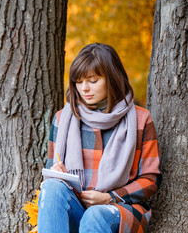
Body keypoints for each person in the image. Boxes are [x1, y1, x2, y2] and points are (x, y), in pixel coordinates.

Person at [37, 43, 162, 233]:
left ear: (111, 78)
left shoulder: (140, 119)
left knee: (95, 215)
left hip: (120, 209)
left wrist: (110, 197)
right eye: (79, 82)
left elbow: (150, 179)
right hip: (76, 205)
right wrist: (56, 172)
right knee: (52, 188)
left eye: (93, 81)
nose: (84, 88)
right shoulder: (63, 119)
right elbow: (49, 171)